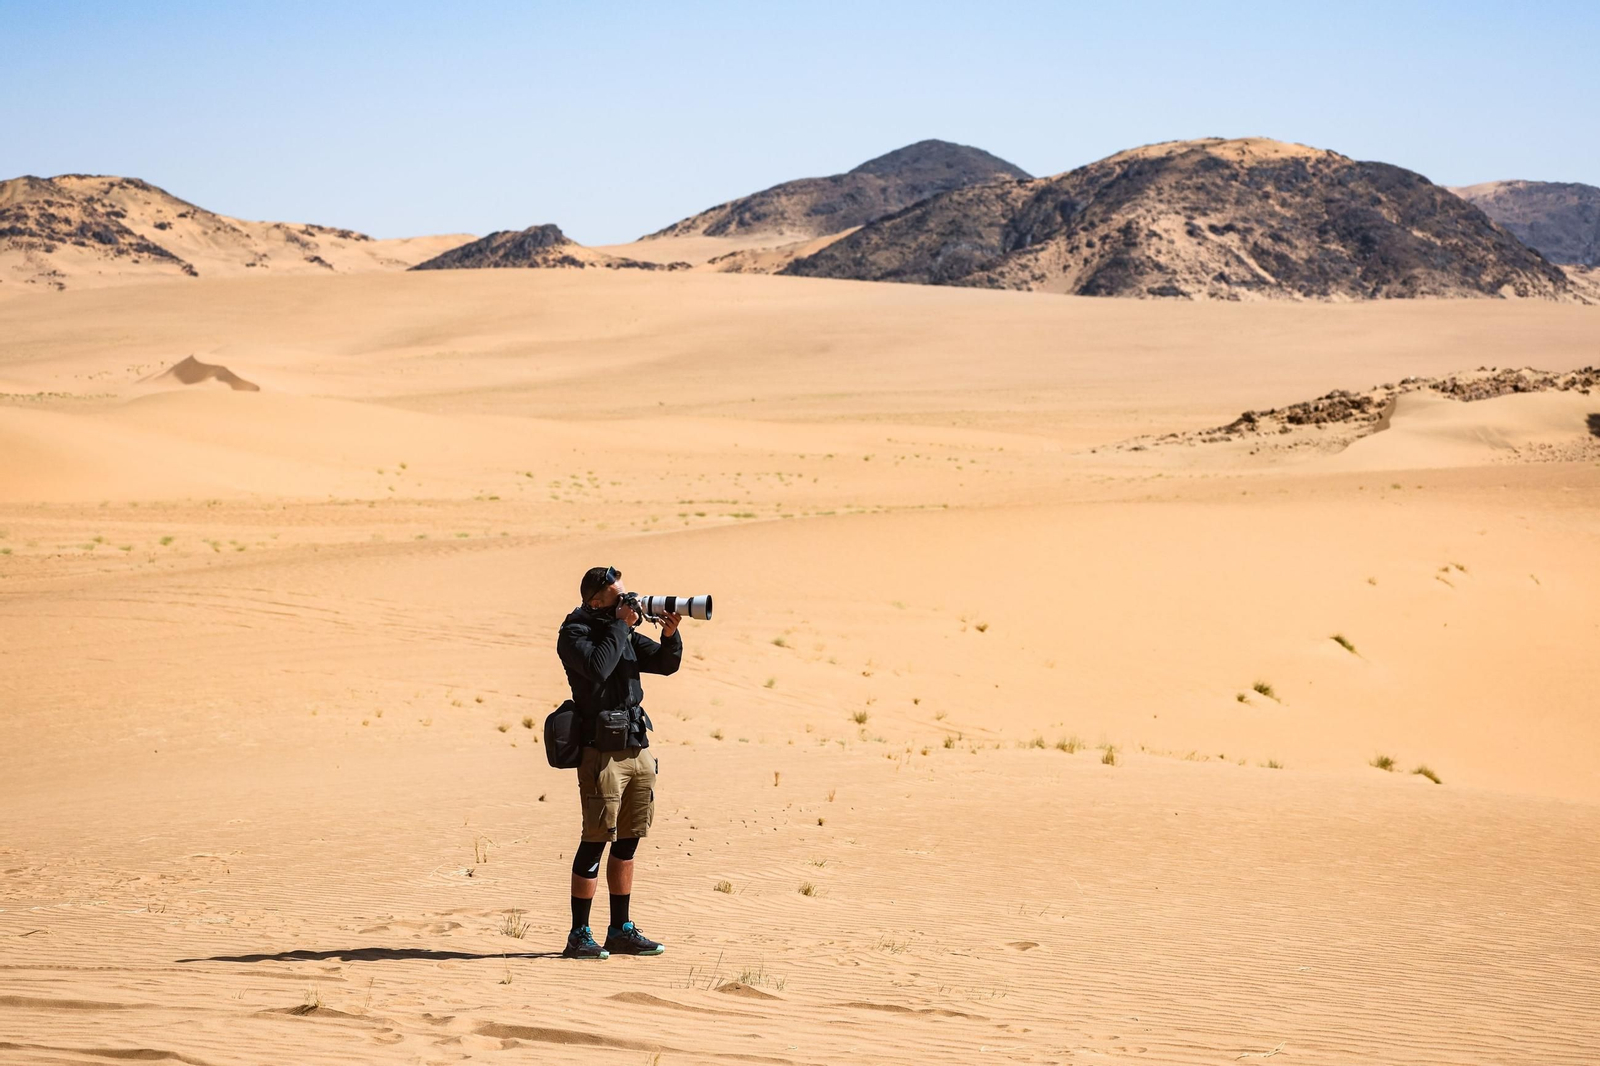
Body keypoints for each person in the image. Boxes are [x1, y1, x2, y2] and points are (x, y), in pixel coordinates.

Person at [555, 565, 683, 960]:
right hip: (601, 753)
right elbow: (597, 667)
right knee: (595, 840)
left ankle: (620, 930)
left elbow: (665, 664)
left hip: (636, 747)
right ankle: (579, 935)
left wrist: (670, 634)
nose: (628, 602)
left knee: (628, 841)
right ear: (596, 601)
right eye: (618, 598)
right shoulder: (574, 634)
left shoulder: (619, 629)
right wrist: (620, 626)